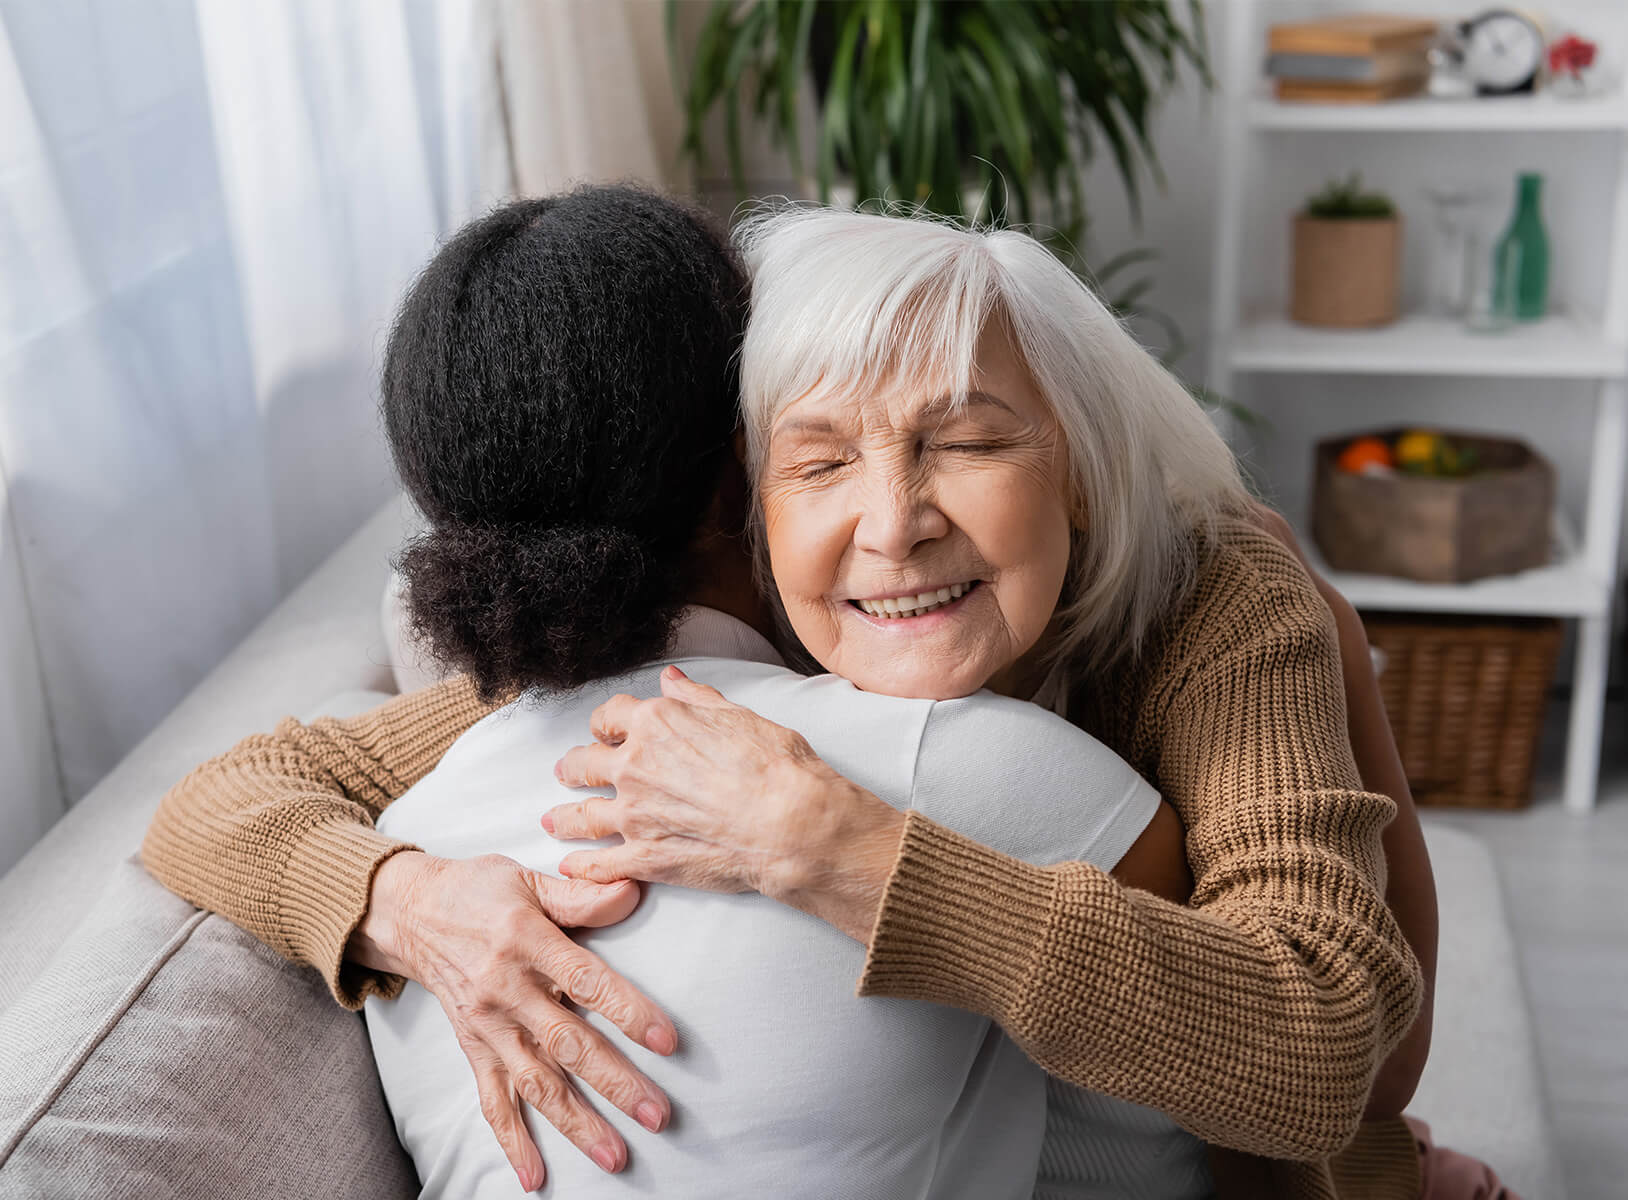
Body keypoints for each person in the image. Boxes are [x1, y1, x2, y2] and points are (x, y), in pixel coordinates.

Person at [141, 196, 1436, 1198]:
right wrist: (412, 902)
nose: (892, 524)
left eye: (970, 440)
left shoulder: (1212, 599)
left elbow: (1341, 1056)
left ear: (1084, 468)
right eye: (816, 461)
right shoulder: (771, 633)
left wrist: (846, 853)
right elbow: (227, 796)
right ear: (745, 505)